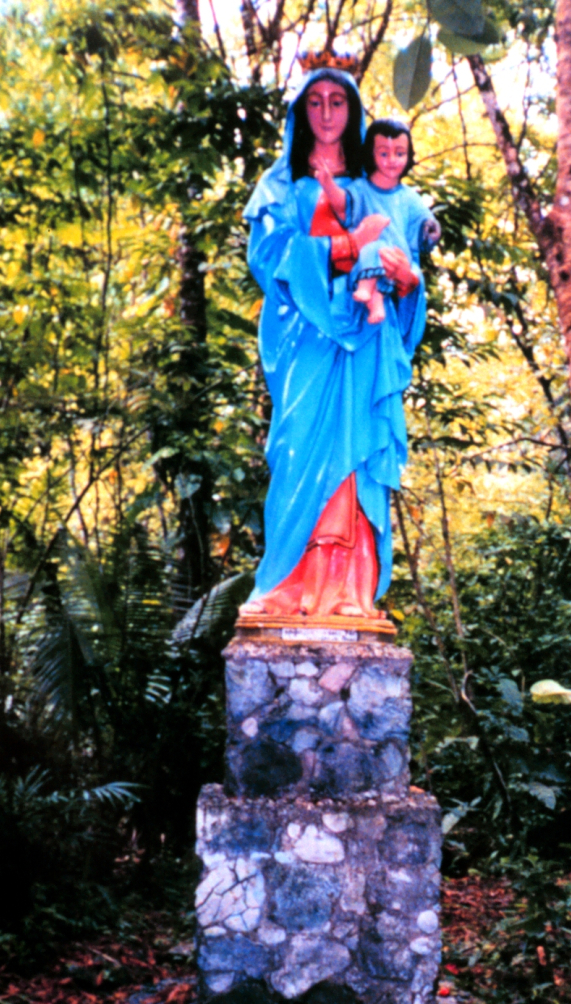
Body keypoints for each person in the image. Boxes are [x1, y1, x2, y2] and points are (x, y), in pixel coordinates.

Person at [239, 65, 427, 621]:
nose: (325, 113)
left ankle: (348, 593)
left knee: (356, 458)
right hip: (306, 341)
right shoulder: (277, 187)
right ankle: (285, 588)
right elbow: (270, 262)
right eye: (315, 102)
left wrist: (410, 283)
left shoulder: (378, 189)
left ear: (353, 112)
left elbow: (405, 273)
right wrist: (345, 249)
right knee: (299, 452)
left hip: (366, 343)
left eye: (337, 102)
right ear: (301, 112)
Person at [314, 118, 440, 326]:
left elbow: (424, 226)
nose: (392, 160)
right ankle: (372, 296)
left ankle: (376, 296)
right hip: (364, 262)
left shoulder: (409, 198)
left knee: (383, 255)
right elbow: (343, 204)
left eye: (399, 153)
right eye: (384, 153)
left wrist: (432, 231)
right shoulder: (361, 189)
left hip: (397, 264)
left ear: (408, 156)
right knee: (373, 251)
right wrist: (328, 184)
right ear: (371, 154)